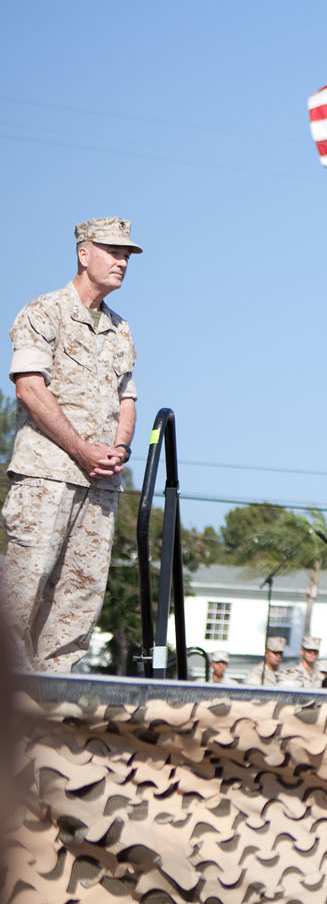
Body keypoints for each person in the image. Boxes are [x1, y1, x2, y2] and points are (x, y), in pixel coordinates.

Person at [3, 218, 142, 673]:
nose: (122, 261)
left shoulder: (121, 330)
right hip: (46, 476)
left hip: (100, 485)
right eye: (113, 251)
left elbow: (127, 400)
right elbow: (29, 389)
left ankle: (52, 699)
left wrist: (118, 451)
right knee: (25, 587)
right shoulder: (44, 311)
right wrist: (81, 448)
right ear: (85, 254)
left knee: (80, 596)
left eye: (127, 255)